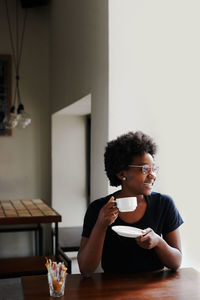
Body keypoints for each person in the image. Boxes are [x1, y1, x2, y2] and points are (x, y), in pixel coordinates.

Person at [78, 131, 183, 274]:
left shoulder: (164, 204)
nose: (152, 175)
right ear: (122, 174)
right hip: (112, 289)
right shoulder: (98, 208)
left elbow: (176, 263)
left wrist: (158, 242)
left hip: (155, 289)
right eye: (145, 169)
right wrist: (101, 224)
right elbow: (85, 269)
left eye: (153, 169)